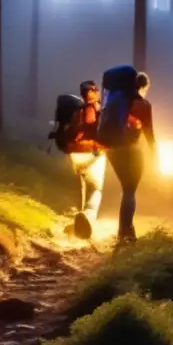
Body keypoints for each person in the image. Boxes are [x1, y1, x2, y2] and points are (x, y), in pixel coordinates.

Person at [106, 71, 155, 245]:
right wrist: (155, 154)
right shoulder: (143, 105)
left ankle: (126, 230)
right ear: (143, 87)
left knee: (126, 188)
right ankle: (124, 232)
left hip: (112, 150)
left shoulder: (117, 101)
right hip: (130, 151)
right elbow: (149, 132)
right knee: (129, 190)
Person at [69, 80, 105, 240]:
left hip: (75, 152)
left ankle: (79, 219)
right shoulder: (94, 108)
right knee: (95, 189)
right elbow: (92, 124)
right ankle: (87, 218)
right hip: (92, 151)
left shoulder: (77, 110)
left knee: (82, 185)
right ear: (94, 91)